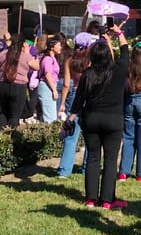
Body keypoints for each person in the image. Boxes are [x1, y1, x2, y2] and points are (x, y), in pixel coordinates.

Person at [69, 40, 129, 209]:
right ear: (109, 55)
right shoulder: (118, 71)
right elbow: (125, 53)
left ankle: (90, 199)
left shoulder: (88, 74)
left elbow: (78, 100)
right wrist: (119, 33)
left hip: (91, 119)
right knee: (110, 160)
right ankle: (107, 200)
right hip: (113, 120)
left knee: (93, 158)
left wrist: (70, 120)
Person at [57, 36, 93, 178]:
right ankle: (87, 168)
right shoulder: (90, 61)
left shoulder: (69, 60)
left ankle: (64, 171)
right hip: (89, 95)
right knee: (90, 135)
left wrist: (62, 103)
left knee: (71, 134)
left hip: (74, 95)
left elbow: (66, 84)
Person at [119, 45, 141, 181]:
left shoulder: (128, 70)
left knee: (128, 137)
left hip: (129, 102)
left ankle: (123, 171)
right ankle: (140, 173)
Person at [0, 33, 39, 129]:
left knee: (3, 112)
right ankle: (12, 137)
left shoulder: (3, 53)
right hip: (18, 86)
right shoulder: (26, 56)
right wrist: (27, 53)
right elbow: (37, 67)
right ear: (23, 44)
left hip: (2, 84)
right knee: (15, 115)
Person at [38, 37, 63, 125]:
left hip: (50, 86)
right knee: (50, 117)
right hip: (47, 86)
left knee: (49, 114)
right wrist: (54, 90)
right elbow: (47, 75)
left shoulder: (53, 58)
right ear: (52, 47)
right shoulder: (47, 59)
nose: (61, 47)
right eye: (59, 45)